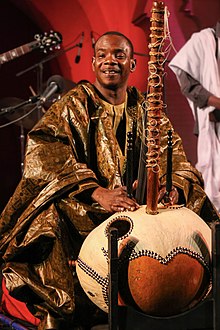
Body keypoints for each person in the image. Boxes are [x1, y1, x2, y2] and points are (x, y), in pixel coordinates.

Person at [0, 31, 218, 330]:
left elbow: (177, 158)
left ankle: (174, 299)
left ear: (131, 64)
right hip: (86, 207)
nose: (109, 61)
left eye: (118, 55)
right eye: (102, 54)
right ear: (93, 63)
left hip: (139, 206)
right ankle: (61, 313)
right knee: (46, 220)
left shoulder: (147, 108)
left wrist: (172, 186)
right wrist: (97, 191)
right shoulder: (72, 105)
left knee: (195, 204)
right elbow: (46, 155)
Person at [169, 21, 220, 214]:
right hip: (215, 126)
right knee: (214, 183)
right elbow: (187, 83)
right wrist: (216, 101)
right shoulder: (203, 41)